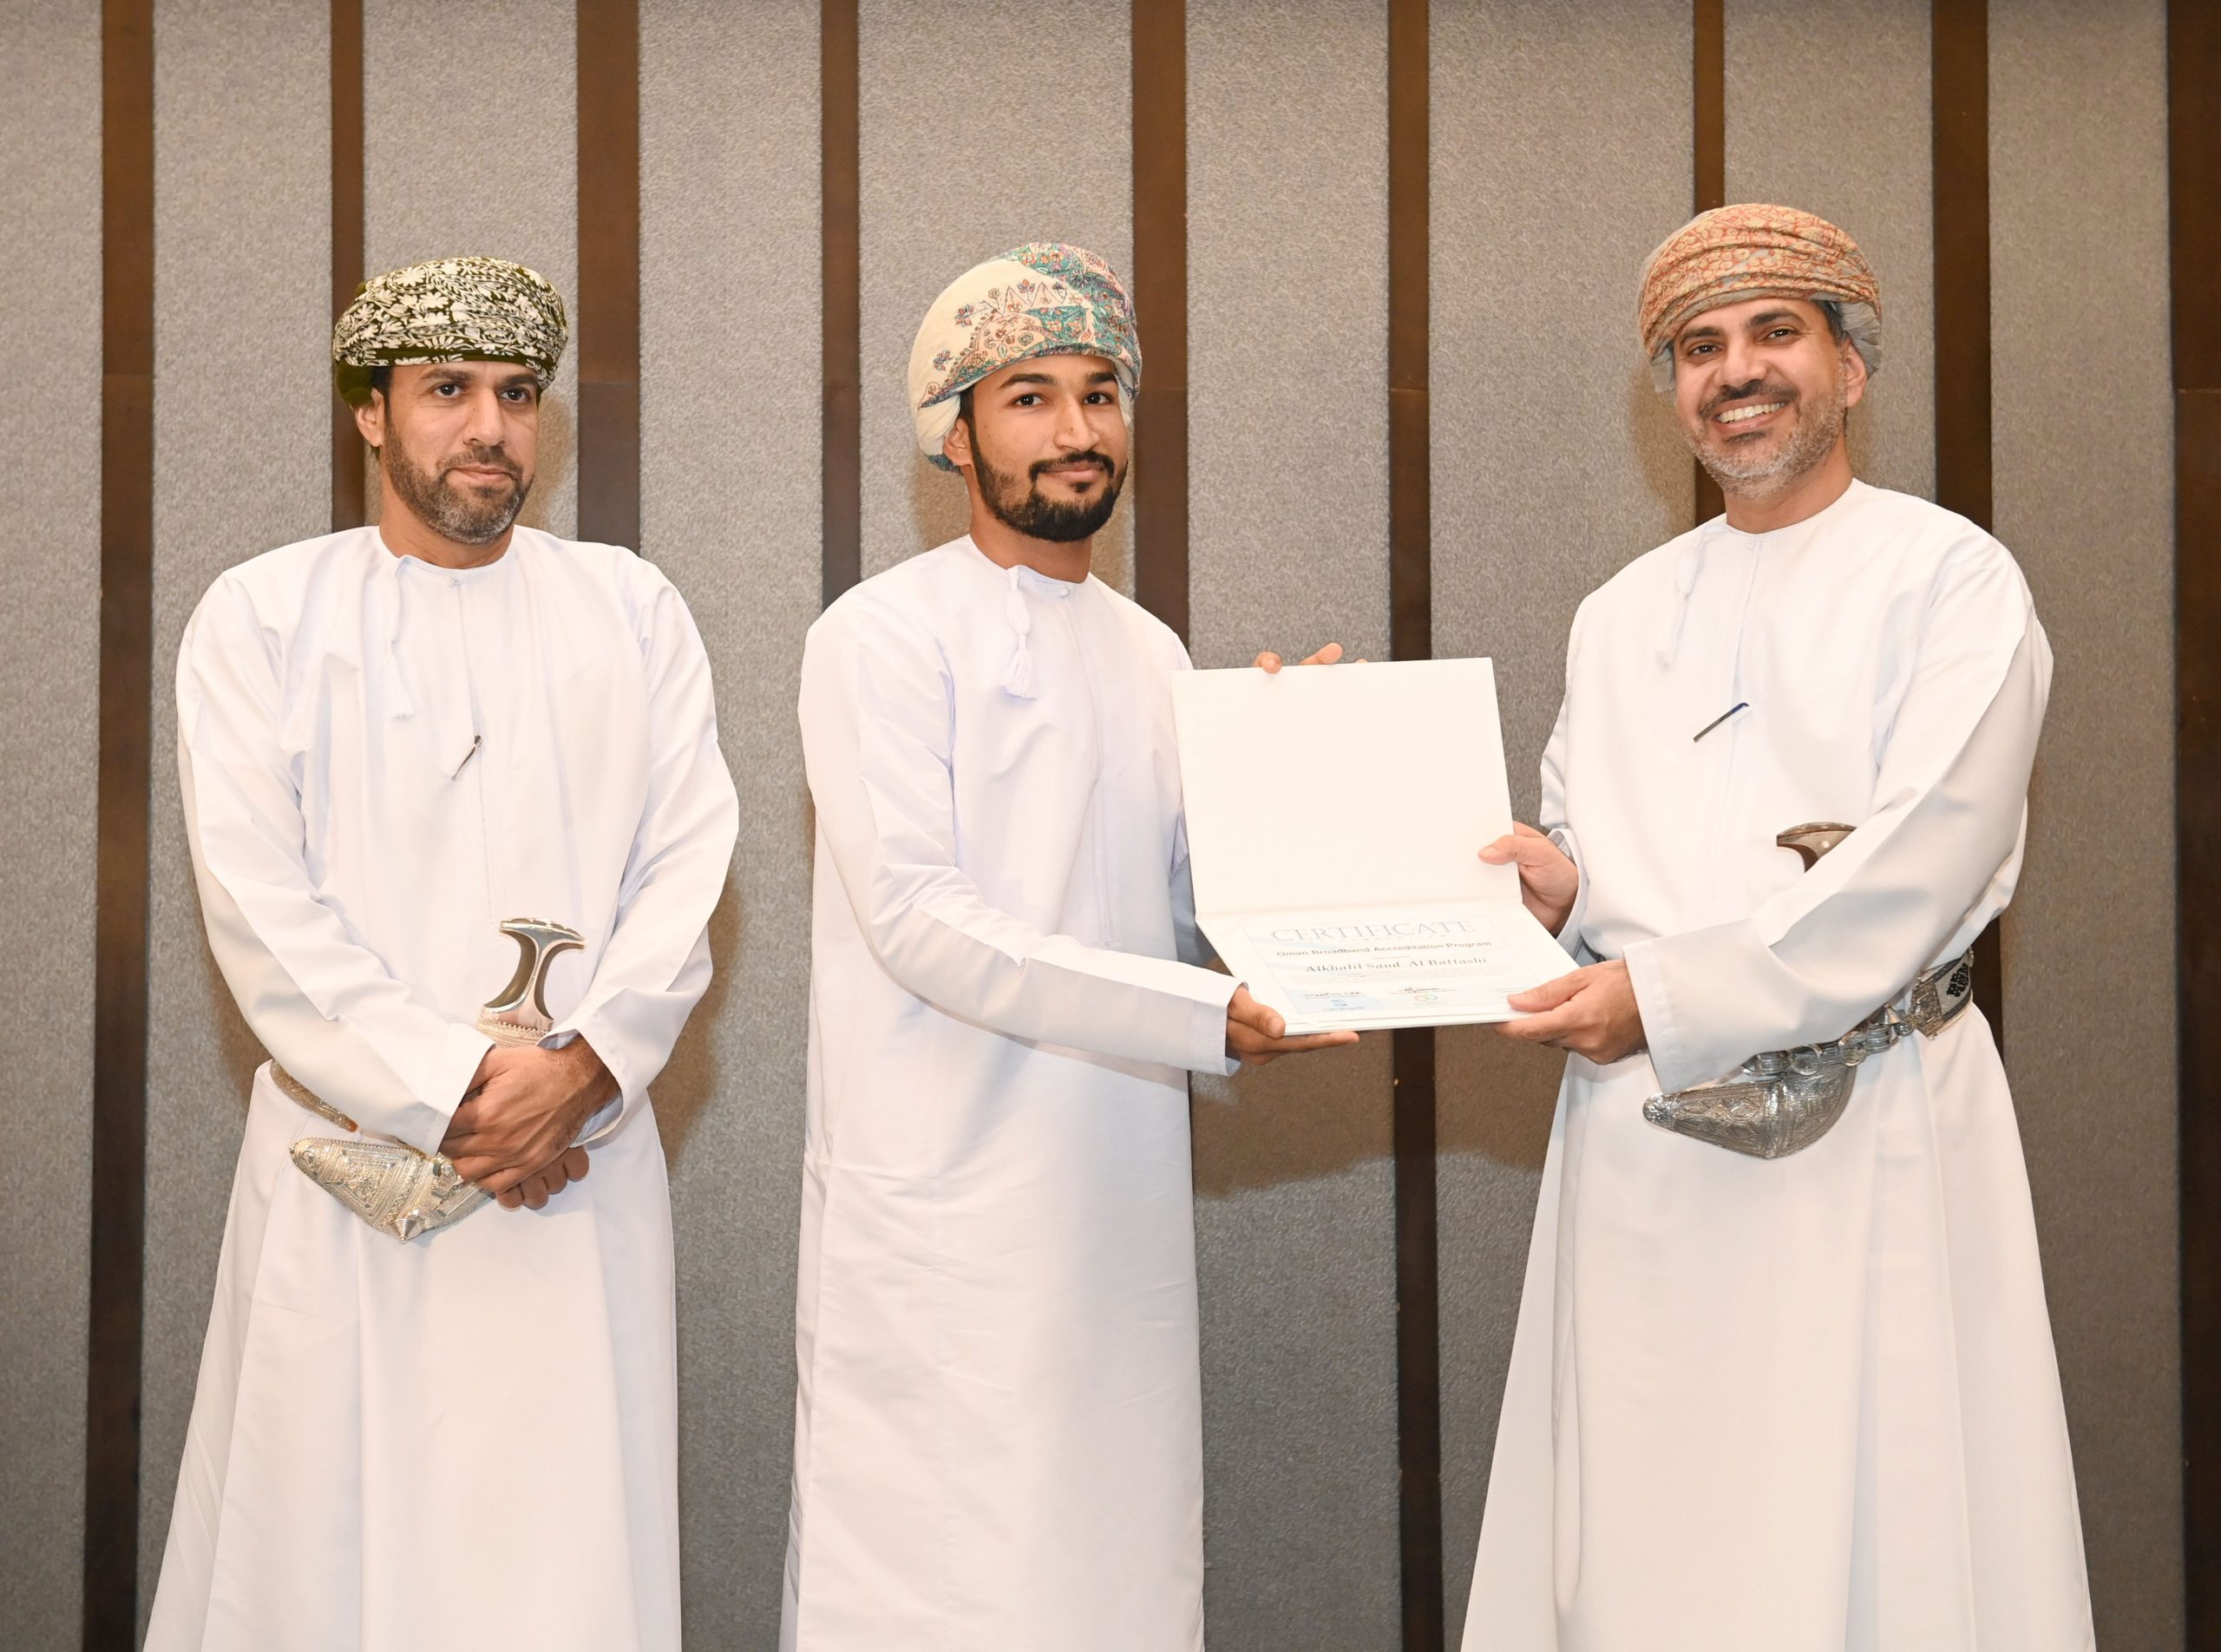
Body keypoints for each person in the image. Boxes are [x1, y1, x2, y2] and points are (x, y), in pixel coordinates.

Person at [1453, 204, 2093, 1649]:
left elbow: (1919, 869)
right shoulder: (1619, 614)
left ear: (1849, 367)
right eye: (1698, 347)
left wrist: (1663, 996)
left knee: (1871, 1528)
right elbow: (1594, 850)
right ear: (1670, 390)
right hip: (1640, 1147)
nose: (1735, 371)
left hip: (1873, 1131)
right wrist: (1560, 895)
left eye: (1774, 333)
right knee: (1647, 1540)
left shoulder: (1952, 581)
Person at [146, 256, 737, 1651]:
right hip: (348, 1175)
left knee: (561, 1567)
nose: (489, 427)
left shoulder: (631, 609)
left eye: (519, 395)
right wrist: (463, 1092)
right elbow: (260, 909)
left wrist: (580, 1075)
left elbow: (688, 866)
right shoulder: (263, 617)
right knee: (324, 1562)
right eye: (447, 390)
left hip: (575, 1175)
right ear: (371, 411)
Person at [783, 242, 1353, 1651]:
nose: (1077, 429)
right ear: (955, 433)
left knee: (1111, 1565)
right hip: (944, 1199)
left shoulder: (1153, 651)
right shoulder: (878, 636)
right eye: (1029, 397)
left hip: (1118, 1198)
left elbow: (1195, 909)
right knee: (937, 1583)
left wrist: (1300, 776)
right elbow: (920, 920)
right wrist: (1198, 1014)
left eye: (1100, 393)